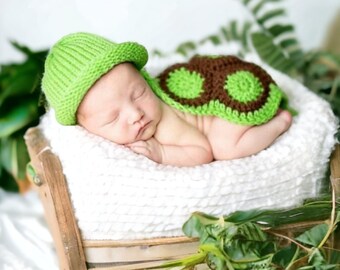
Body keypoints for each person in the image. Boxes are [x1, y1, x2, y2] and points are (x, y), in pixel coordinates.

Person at [42, 32, 293, 167]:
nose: (135, 114)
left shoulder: (164, 122)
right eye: (113, 117)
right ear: (86, 128)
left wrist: (161, 152)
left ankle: (279, 123)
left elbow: (202, 151)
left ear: (145, 80)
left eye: (139, 93)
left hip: (235, 103)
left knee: (224, 147)